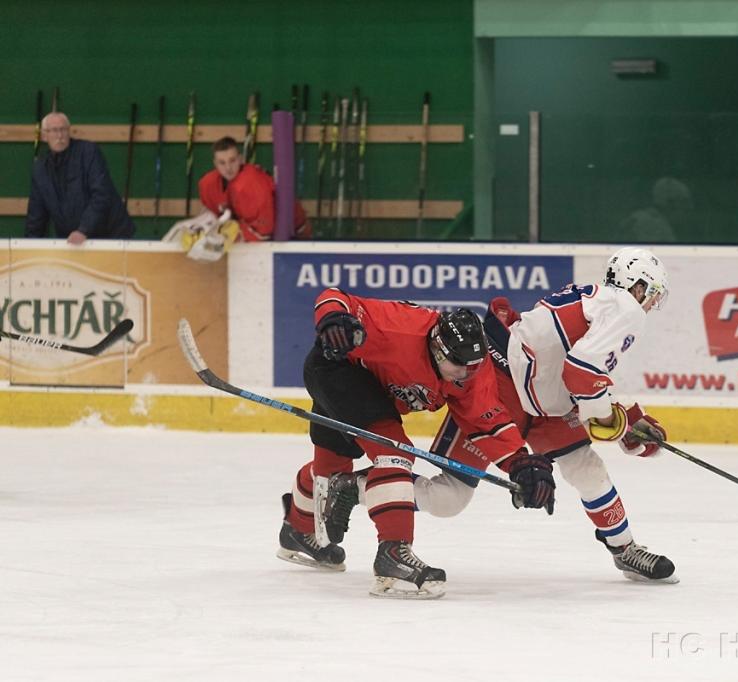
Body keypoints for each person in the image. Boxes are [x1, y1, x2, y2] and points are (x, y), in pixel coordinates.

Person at [325, 247, 679, 584]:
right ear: (639, 284)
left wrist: (631, 418)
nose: (649, 305)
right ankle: (355, 487)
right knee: (451, 498)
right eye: (652, 295)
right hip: (497, 390)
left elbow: (587, 372)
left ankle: (625, 547)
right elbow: (583, 373)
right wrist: (612, 424)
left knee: (586, 470)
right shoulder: (625, 308)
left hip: (541, 400)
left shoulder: (599, 302)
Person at [276, 292, 556, 599]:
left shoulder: (471, 369)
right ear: (437, 348)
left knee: (331, 468)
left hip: (374, 391)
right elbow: (334, 297)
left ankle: (298, 531)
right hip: (337, 368)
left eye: (472, 367)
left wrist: (519, 461)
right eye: (458, 365)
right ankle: (393, 555)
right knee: (394, 453)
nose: (465, 375)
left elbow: (484, 418)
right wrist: (333, 321)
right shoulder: (400, 327)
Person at [25, 112, 136, 244]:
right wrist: (29, 245)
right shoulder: (40, 168)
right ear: (44, 136)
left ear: (69, 131)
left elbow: (101, 195)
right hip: (73, 242)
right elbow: (36, 215)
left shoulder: (89, 152)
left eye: (63, 130)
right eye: (54, 130)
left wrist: (84, 230)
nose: (60, 135)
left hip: (112, 235)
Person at [197, 136, 310, 241]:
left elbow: (264, 232)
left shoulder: (252, 183)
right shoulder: (208, 183)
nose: (228, 168)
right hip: (258, 235)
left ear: (241, 159)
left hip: (293, 233)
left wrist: (229, 234)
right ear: (215, 164)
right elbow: (211, 214)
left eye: (232, 161)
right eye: (222, 163)